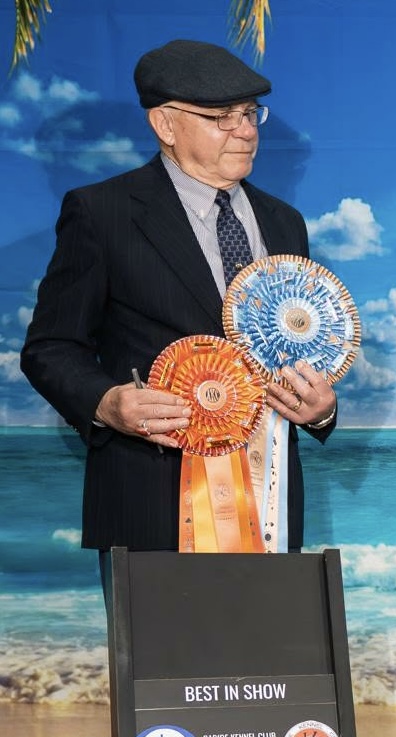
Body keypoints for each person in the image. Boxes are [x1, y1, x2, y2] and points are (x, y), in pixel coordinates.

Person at [20, 38, 336, 558]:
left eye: (250, 113)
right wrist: (106, 403)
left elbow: (298, 355)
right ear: (165, 125)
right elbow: (50, 348)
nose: (246, 130)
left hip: (271, 511)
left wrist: (320, 411)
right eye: (221, 117)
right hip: (150, 507)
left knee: (275, 620)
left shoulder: (285, 222)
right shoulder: (102, 213)